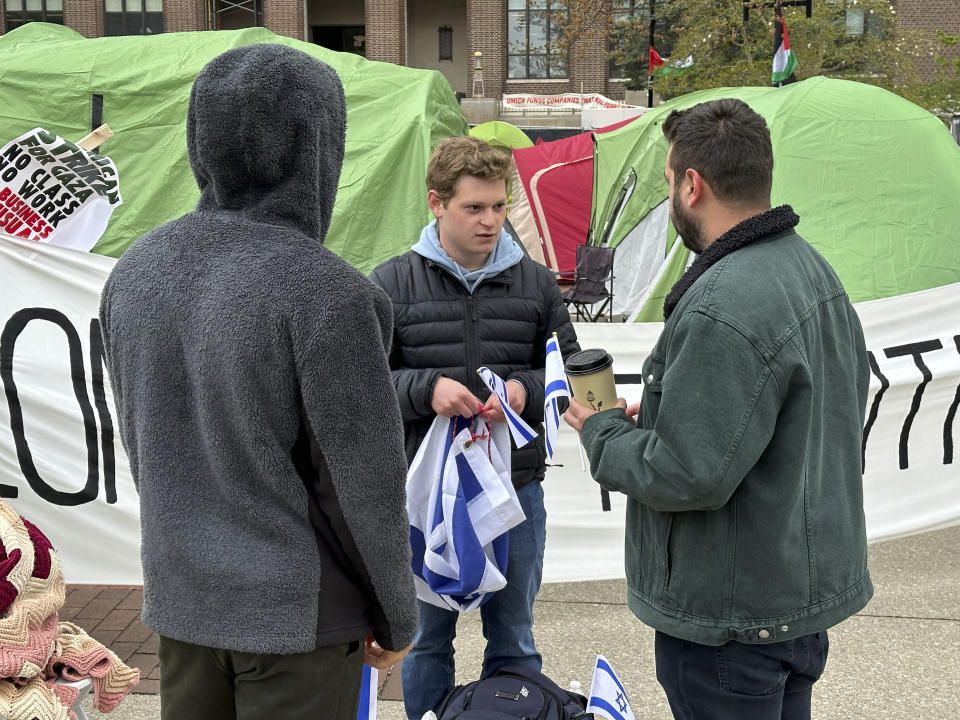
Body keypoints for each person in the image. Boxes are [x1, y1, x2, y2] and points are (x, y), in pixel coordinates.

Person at [98, 44, 416, 720]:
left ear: (197, 137)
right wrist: (397, 616)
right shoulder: (329, 294)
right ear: (318, 145)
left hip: (183, 602)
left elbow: (144, 443)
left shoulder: (134, 273)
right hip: (297, 617)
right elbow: (363, 485)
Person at [564, 98, 873, 720]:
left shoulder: (724, 302)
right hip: (785, 599)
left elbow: (686, 472)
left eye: (669, 180)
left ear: (692, 184)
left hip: (731, 621)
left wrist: (600, 431)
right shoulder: (812, 269)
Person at [369, 135, 580, 720]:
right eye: (474, 208)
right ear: (436, 203)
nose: (491, 222)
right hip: (425, 500)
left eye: (499, 206)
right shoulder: (389, 284)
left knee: (514, 641)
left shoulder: (536, 283)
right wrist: (426, 389)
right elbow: (362, 387)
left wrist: (522, 390)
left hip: (515, 492)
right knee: (426, 642)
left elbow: (571, 371)